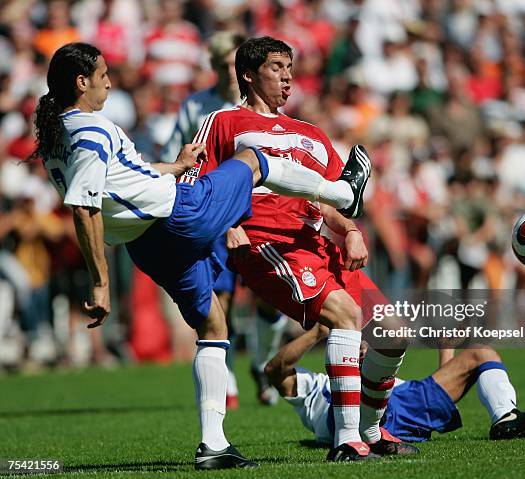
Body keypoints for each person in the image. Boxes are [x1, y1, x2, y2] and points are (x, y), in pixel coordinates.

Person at [31, 42, 370, 470]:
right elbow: (85, 206)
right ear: (82, 83)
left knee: (213, 323)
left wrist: (175, 166)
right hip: (179, 215)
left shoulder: (60, 136)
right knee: (254, 159)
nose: (109, 83)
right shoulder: (92, 130)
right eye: (102, 76)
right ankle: (345, 191)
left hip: (147, 243)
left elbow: (122, 180)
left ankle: (213, 445)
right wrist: (101, 282)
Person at [189, 36, 408, 461]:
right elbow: (195, 184)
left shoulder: (309, 133)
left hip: (317, 243)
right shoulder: (223, 122)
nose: (287, 76)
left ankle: (371, 431)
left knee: (392, 336)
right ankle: (347, 441)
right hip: (267, 244)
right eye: (276, 67)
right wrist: (227, 225)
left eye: (289, 67)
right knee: (345, 316)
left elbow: (334, 196)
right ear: (248, 74)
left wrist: (352, 230)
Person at [162, 31, 285, 408]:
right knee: (223, 296)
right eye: (221, 64)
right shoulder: (199, 107)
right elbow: (174, 153)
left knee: (272, 294)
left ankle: (265, 365)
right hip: (217, 209)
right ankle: (226, 374)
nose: (229, 72)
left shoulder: (266, 106)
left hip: (261, 209)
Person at [265, 324, 525, 444]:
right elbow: (275, 370)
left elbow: (438, 401)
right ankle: (362, 433)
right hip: (342, 414)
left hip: (401, 398)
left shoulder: (387, 375)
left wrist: (446, 348)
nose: (360, 345)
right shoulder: (314, 386)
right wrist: (319, 331)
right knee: (376, 372)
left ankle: (505, 418)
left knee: (483, 353)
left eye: (362, 342)